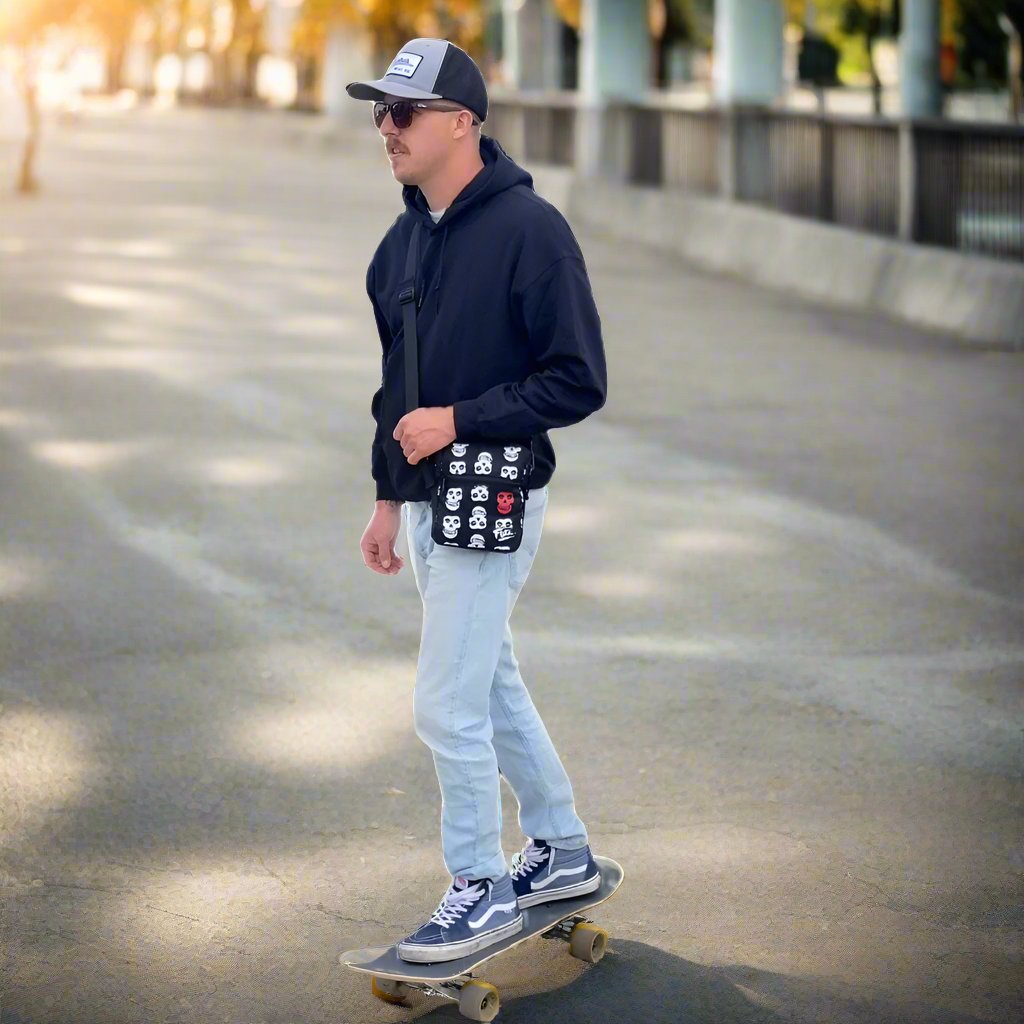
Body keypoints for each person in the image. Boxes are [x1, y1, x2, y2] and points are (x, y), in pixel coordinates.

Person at [347, 38, 608, 964]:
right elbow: (395, 389)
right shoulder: (402, 242)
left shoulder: (532, 232)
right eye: (379, 111)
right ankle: (563, 848)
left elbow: (579, 380)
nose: (387, 127)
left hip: (495, 497)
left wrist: (462, 420)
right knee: (486, 681)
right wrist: (387, 496)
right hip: (425, 502)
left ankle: (479, 885)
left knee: (444, 702)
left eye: (404, 111)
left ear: (464, 121)